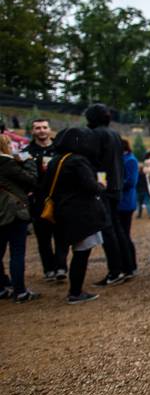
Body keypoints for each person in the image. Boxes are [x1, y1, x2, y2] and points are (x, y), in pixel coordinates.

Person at [45, 128, 110, 304]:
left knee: (70, 249)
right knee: (81, 253)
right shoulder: (78, 161)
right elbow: (90, 186)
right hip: (80, 214)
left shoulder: (56, 161)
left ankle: (71, 286)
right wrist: (101, 186)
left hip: (61, 212)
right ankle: (75, 292)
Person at [84, 103, 129, 285]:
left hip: (105, 186)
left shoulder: (97, 135)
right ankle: (127, 267)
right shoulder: (115, 134)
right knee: (117, 229)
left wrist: (98, 182)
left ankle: (115, 270)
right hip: (116, 185)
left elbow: (97, 162)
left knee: (108, 230)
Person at [25, 118, 68, 281]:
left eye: (44, 127)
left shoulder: (60, 150)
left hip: (60, 199)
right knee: (43, 239)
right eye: (37, 128)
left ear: (50, 129)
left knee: (61, 236)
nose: (41, 130)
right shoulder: (26, 152)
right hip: (38, 202)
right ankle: (49, 269)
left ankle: (61, 267)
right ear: (33, 131)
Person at [0, 134, 39, 302]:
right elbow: (31, 180)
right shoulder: (6, 163)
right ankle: (20, 291)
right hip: (13, 211)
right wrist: (28, 160)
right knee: (17, 252)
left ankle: (1, 287)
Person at [118, 138, 139, 274]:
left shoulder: (130, 160)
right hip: (121, 201)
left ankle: (131, 265)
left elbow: (131, 181)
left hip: (125, 202)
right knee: (122, 235)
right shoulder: (123, 159)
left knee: (124, 234)